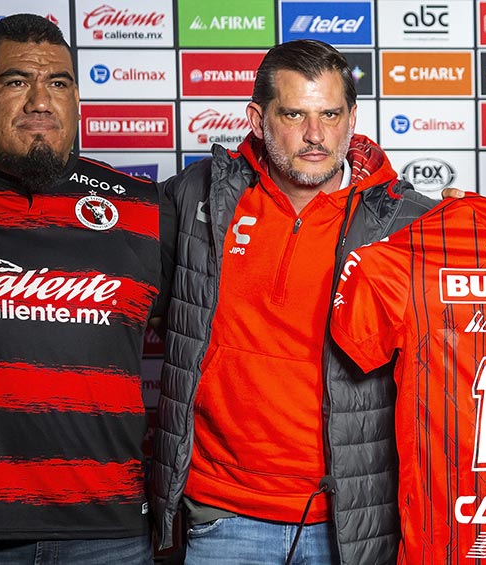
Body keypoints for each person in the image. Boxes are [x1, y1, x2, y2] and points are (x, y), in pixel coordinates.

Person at [150, 39, 435, 564]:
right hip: (221, 511)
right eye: (294, 114)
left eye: (330, 114)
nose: (315, 135)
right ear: (257, 120)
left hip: (349, 521)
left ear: (352, 117)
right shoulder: (197, 196)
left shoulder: (410, 223)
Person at [0, 13, 170, 564]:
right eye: (16, 81)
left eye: (58, 83)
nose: (40, 100)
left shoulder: (140, 207)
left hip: (107, 531)